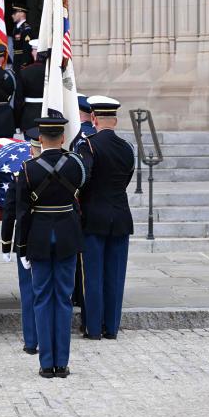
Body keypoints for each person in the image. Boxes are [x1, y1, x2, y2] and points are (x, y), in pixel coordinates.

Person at [16, 117, 88, 378]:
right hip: (68, 236)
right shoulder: (75, 166)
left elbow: (22, 214)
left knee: (43, 299)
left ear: (41, 139)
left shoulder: (27, 169)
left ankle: (46, 364)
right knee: (64, 299)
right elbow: (81, 190)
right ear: (61, 138)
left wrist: (21, 249)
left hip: (39, 238)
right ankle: (62, 363)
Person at [78, 95, 135, 341]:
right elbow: (126, 180)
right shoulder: (127, 148)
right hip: (120, 215)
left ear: (93, 118)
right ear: (115, 120)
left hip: (93, 216)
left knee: (93, 275)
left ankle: (93, 328)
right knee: (115, 275)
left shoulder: (88, 146)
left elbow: (84, 179)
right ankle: (111, 327)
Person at [1, 127, 41, 355]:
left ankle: (31, 340)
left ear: (31, 149)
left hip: (26, 239)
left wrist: (7, 243)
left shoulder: (22, 173)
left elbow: (11, 212)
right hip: (56, 236)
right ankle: (50, 336)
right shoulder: (67, 168)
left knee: (28, 291)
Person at [15, 39, 46, 136]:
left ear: (35, 53)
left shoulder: (25, 71)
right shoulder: (52, 71)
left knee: (30, 148)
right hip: (48, 115)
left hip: (29, 116)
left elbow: (18, 100)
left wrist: (17, 123)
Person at [11, 3, 32, 74]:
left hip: (22, 63)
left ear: (22, 13)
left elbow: (27, 48)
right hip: (17, 61)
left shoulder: (26, 29)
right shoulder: (17, 28)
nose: (12, 15)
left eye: (15, 13)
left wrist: (24, 64)